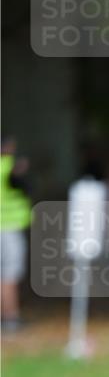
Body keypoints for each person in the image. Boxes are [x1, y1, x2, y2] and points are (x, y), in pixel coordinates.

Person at [1, 135, 32, 333]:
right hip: (8, 227)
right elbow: (20, 186)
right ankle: (11, 317)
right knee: (9, 274)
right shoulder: (9, 166)